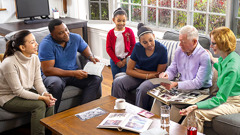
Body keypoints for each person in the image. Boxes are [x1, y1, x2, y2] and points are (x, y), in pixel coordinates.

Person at [179, 27, 240, 133]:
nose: (211, 46)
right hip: (226, 98)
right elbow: (222, 70)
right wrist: (212, 59)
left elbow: (220, 98)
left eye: (214, 43)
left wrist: (196, 106)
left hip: (233, 102)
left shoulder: (232, 68)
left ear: (223, 44)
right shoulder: (226, 57)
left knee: (196, 113)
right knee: (193, 111)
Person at [38, 19, 102, 113]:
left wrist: (90, 57)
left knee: (95, 78)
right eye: (61, 33)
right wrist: (73, 73)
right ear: (52, 34)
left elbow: (85, 48)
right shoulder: (46, 45)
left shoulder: (75, 38)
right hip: (54, 76)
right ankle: (51, 117)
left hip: (73, 73)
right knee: (56, 84)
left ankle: (85, 111)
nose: (66, 33)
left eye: (66, 29)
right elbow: (48, 70)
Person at [151, 25, 212, 122]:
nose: (180, 44)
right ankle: (153, 127)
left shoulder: (204, 56)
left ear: (194, 41)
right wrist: (167, 75)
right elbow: (172, 69)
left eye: (183, 42)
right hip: (181, 88)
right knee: (158, 98)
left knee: (176, 105)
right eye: (179, 40)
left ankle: (167, 129)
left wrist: (176, 84)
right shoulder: (179, 50)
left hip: (199, 91)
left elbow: (198, 83)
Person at [0, 30, 56, 135]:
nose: (37, 44)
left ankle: (50, 133)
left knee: (50, 102)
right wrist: (41, 98)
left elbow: (38, 81)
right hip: (8, 97)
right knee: (40, 104)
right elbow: (18, 91)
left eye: (35, 41)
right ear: (22, 47)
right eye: (32, 42)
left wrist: (45, 94)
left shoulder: (34, 58)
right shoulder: (9, 63)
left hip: (24, 91)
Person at [112, 23, 168, 110]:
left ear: (154, 36)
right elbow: (129, 71)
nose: (149, 44)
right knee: (117, 82)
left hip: (153, 79)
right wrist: (146, 75)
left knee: (142, 89)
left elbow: (158, 74)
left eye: (151, 40)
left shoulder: (162, 49)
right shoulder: (137, 47)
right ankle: (119, 112)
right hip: (140, 76)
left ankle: (139, 117)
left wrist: (140, 72)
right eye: (145, 42)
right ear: (140, 41)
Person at [106, 8, 136, 79]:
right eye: (118, 21)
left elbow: (134, 45)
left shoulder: (129, 31)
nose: (121, 23)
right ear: (114, 20)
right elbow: (108, 48)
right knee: (115, 78)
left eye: (123, 21)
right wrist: (116, 61)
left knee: (126, 78)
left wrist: (126, 58)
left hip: (126, 60)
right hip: (114, 61)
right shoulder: (110, 33)